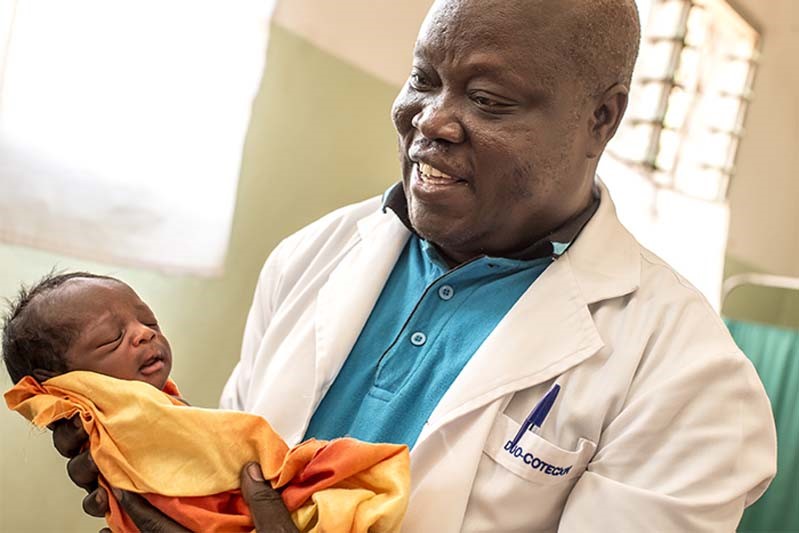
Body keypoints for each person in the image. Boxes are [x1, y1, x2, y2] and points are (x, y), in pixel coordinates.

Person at [53, 0, 777, 531]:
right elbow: (239, 471)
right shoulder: (311, 256)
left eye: (488, 99)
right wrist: (156, 475)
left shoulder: (689, 376)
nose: (430, 119)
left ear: (602, 118)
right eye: (423, 78)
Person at [3, 272, 409, 532]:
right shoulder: (121, 416)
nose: (145, 334)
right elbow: (225, 445)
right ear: (65, 386)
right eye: (112, 338)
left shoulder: (156, 406)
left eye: (149, 321)